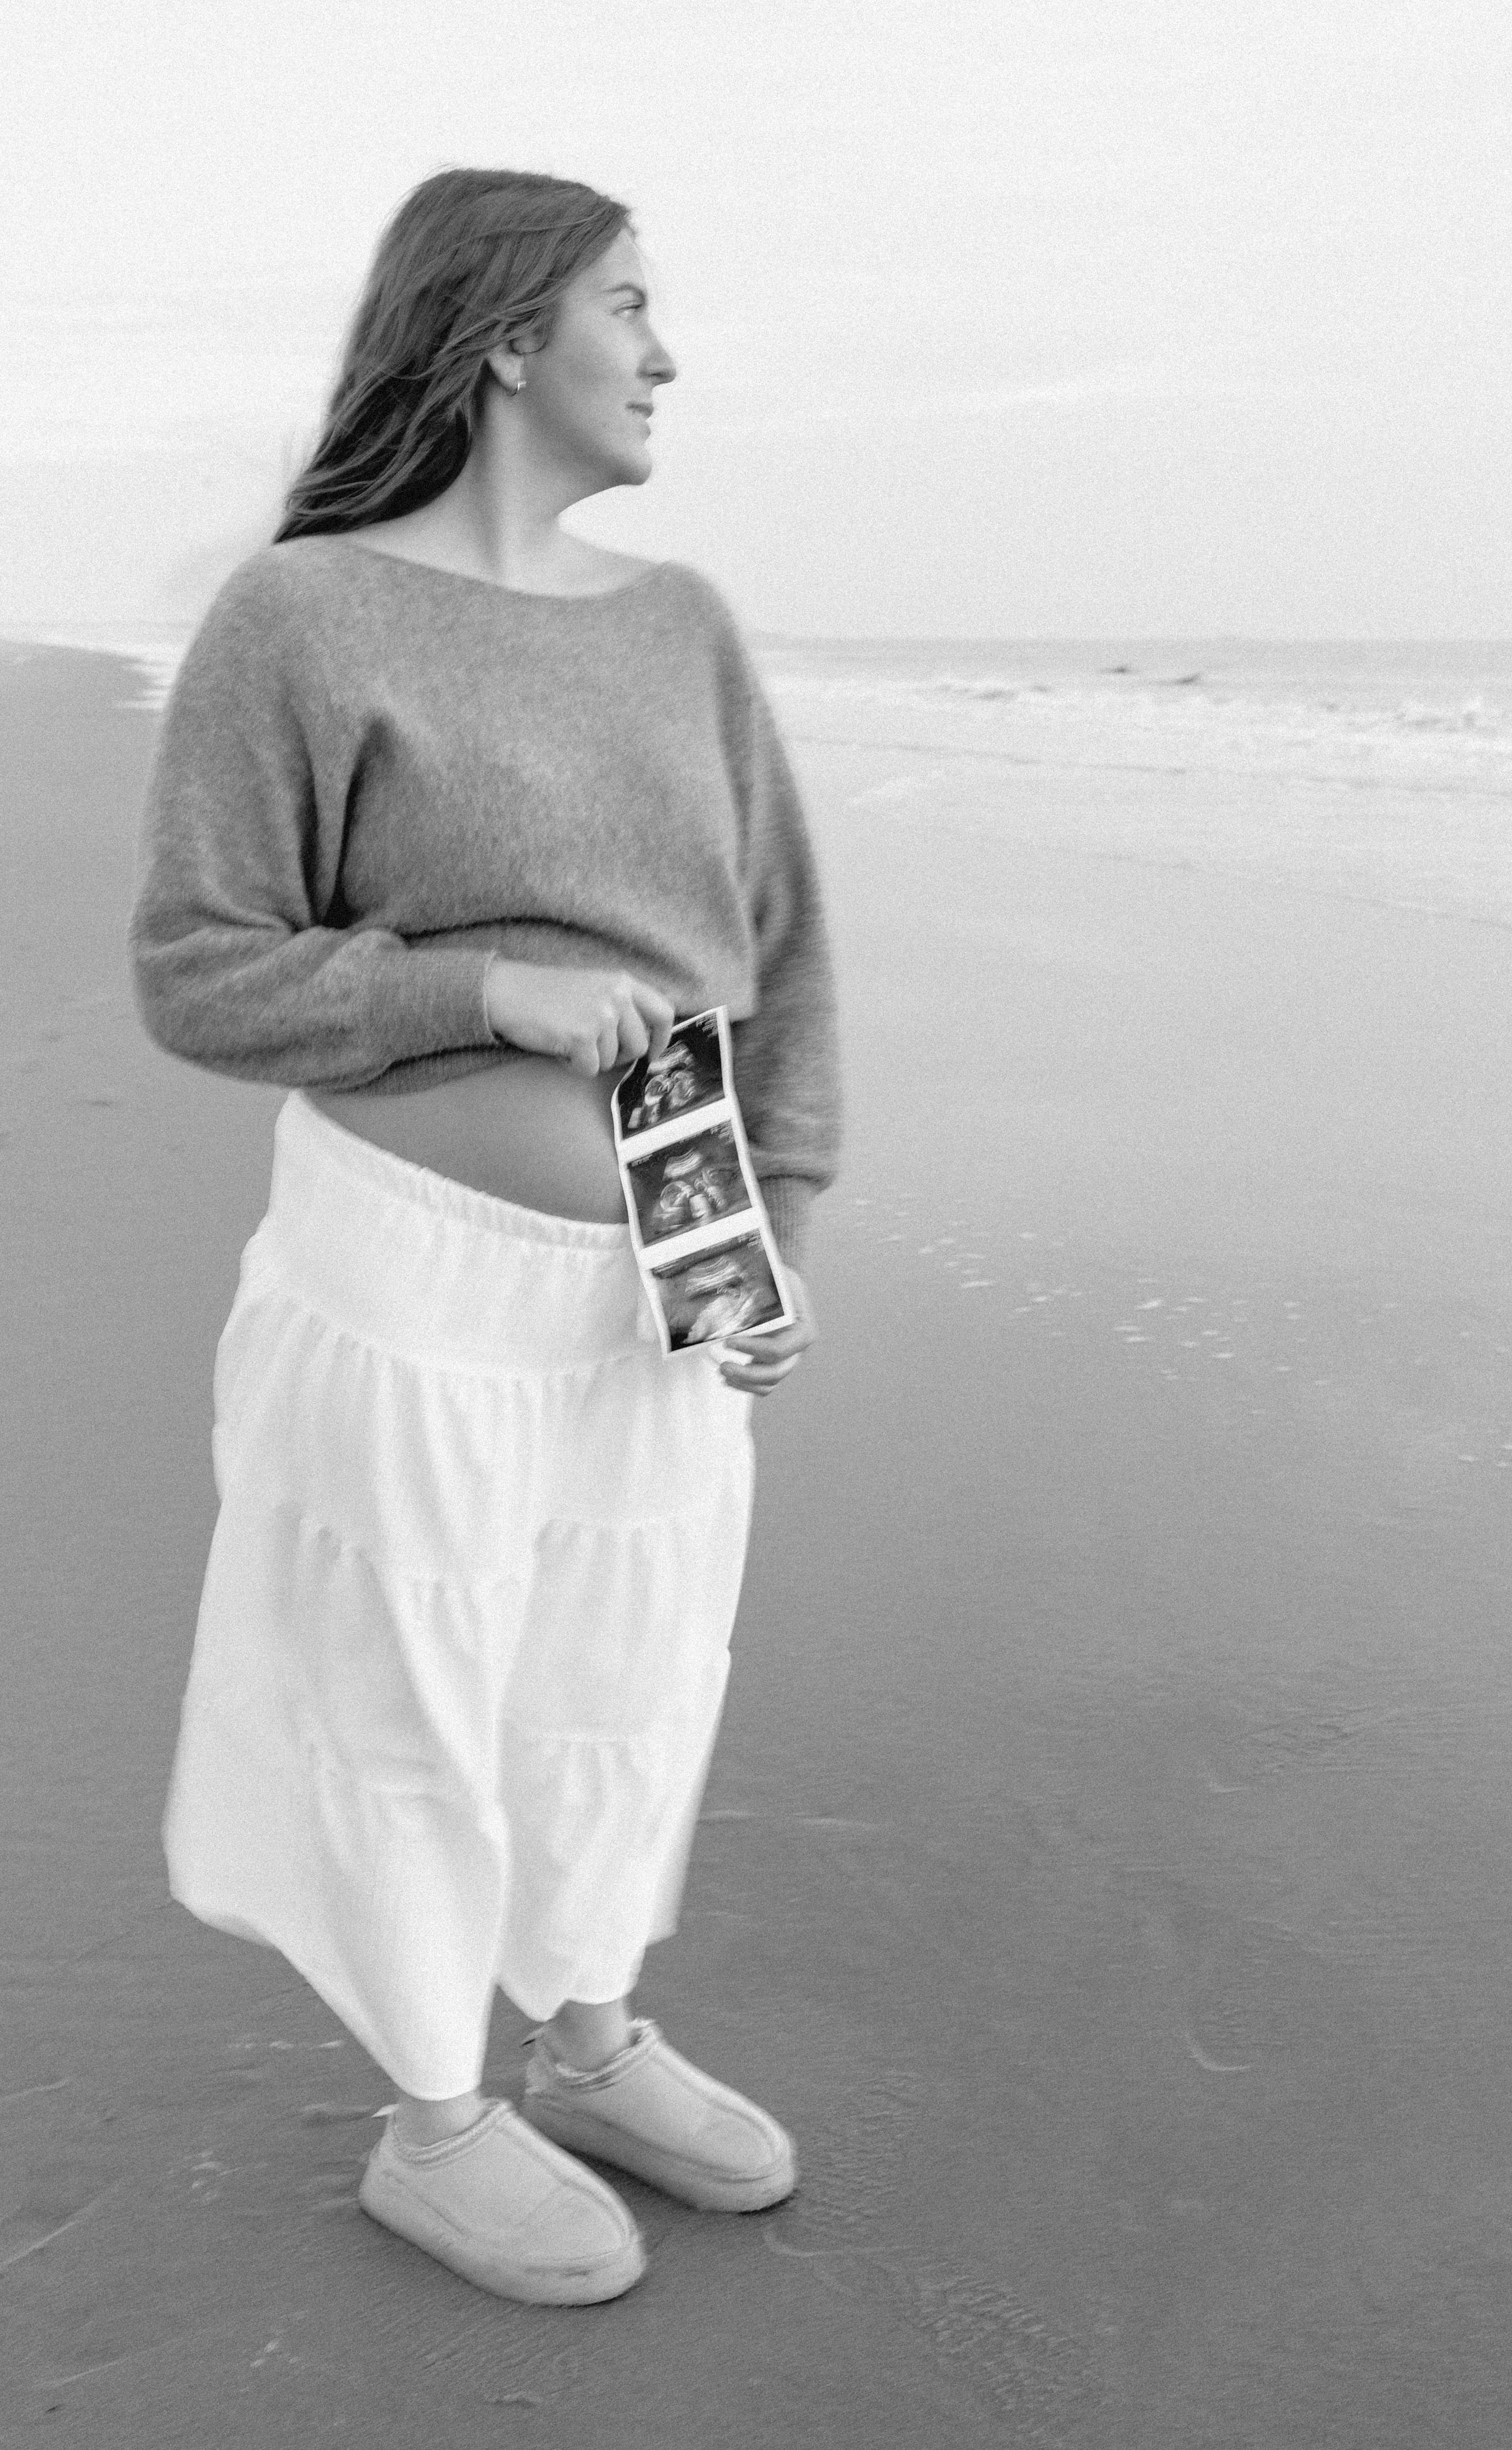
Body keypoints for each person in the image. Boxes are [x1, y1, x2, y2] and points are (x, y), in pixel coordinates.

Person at [127, 167, 841, 2307]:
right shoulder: (306, 620)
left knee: (625, 1676)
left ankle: (590, 2039)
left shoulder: (683, 624)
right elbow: (196, 966)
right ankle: (436, 2120)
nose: (665, 350)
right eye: (630, 304)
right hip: (407, 1271)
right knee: (405, 1686)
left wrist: (777, 1224)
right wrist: (476, 987)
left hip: (668, 1274)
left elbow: (780, 960)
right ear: (511, 334)